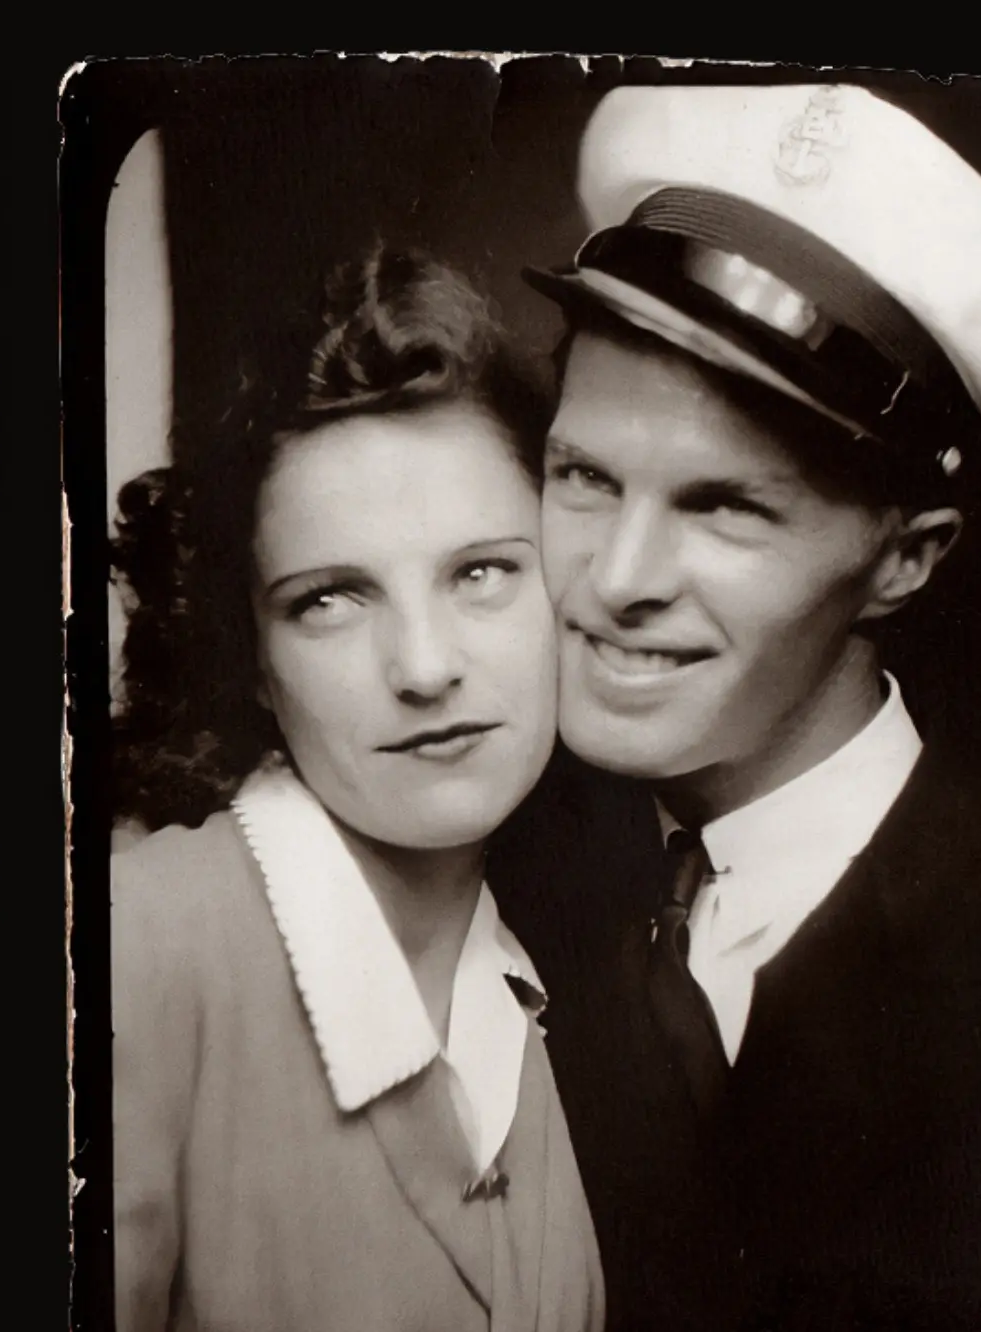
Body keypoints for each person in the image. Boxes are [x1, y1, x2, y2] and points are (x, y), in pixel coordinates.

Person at [499, 84, 981, 1331]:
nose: (614, 581)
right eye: (583, 476)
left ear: (906, 557)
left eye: (724, 506)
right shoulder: (487, 881)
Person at [110, 246, 604, 1332]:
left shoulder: (540, 991)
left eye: (482, 573)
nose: (424, 667)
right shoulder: (139, 948)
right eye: (330, 599)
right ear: (249, 656)